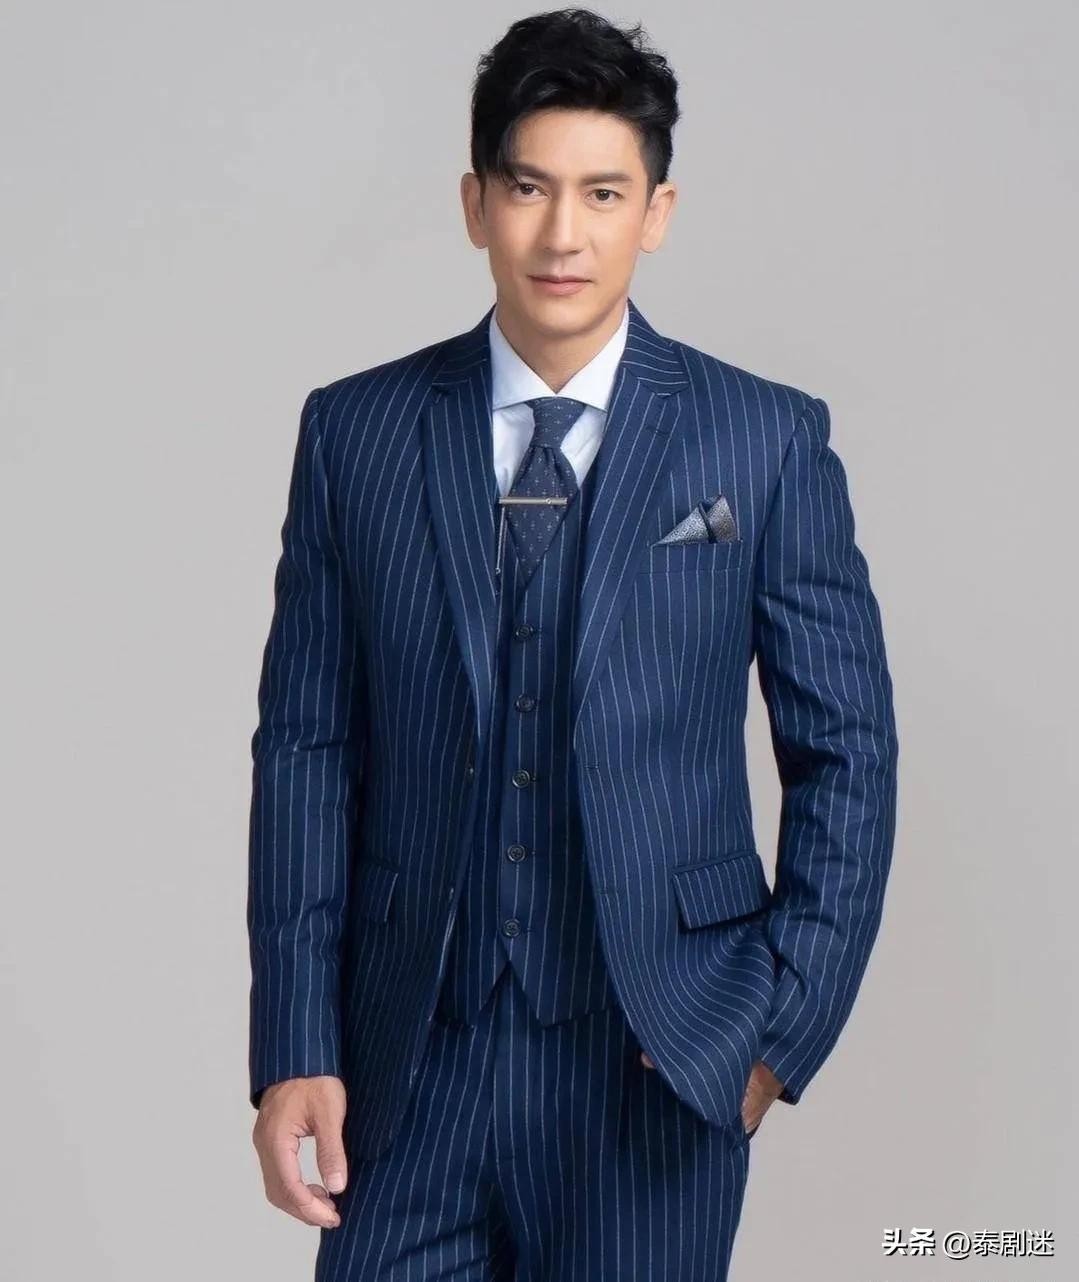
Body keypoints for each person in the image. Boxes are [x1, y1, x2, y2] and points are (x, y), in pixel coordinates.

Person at [246, 8, 899, 1279]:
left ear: (655, 212)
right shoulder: (355, 434)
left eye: (602, 193)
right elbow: (307, 750)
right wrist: (293, 1044)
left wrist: (775, 1030)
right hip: (406, 1059)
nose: (562, 234)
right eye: (528, 187)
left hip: (655, 1062)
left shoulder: (760, 440)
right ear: (474, 203)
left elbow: (847, 753)